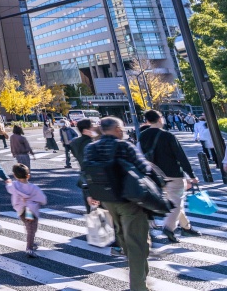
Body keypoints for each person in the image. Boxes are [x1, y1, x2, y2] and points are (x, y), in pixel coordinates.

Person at [83, 118, 156, 291]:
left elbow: (85, 172)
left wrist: (89, 194)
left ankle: (140, 275)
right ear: (116, 129)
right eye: (121, 128)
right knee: (137, 242)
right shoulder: (124, 146)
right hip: (130, 199)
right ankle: (138, 286)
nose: (122, 131)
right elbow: (144, 168)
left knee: (125, 237)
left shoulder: (91, 147)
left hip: (107, 200)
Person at [138, 109, 201, 242]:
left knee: (176, 202)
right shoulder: (167, 135)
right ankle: (168, 227)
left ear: (147, 121)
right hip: (173, 174)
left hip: (155, 176)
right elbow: (181, 157)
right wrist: (191, 175)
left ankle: (186, 227)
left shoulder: (142, 136)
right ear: (160, 119)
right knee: (176, 203)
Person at [5, 163, 47, 258]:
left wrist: (8, 182)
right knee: (32, 228)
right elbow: (43, 199)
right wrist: (38, 201)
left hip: (20, 210)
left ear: (15, 175)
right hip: (29, 210)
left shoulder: (14, 186)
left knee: (29, 227)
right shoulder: (33, 188)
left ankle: (31, 242)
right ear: (28, 176)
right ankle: (29, 248)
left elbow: (9, 188)